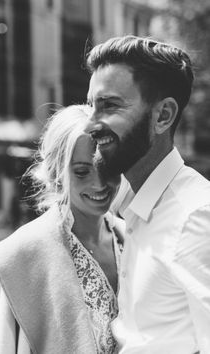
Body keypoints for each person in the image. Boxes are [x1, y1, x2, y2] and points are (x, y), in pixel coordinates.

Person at [85, 35, 210, 354]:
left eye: (108, 105)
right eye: (91, 106)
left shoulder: (195, 217)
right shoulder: (133, 208)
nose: (90, 125)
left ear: (163, 116)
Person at [0, 104, 125, 354]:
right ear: (57, 172)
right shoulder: (19, 256)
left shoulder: (136, 239)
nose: (99, 183)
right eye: (81, 171)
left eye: (107, 166)